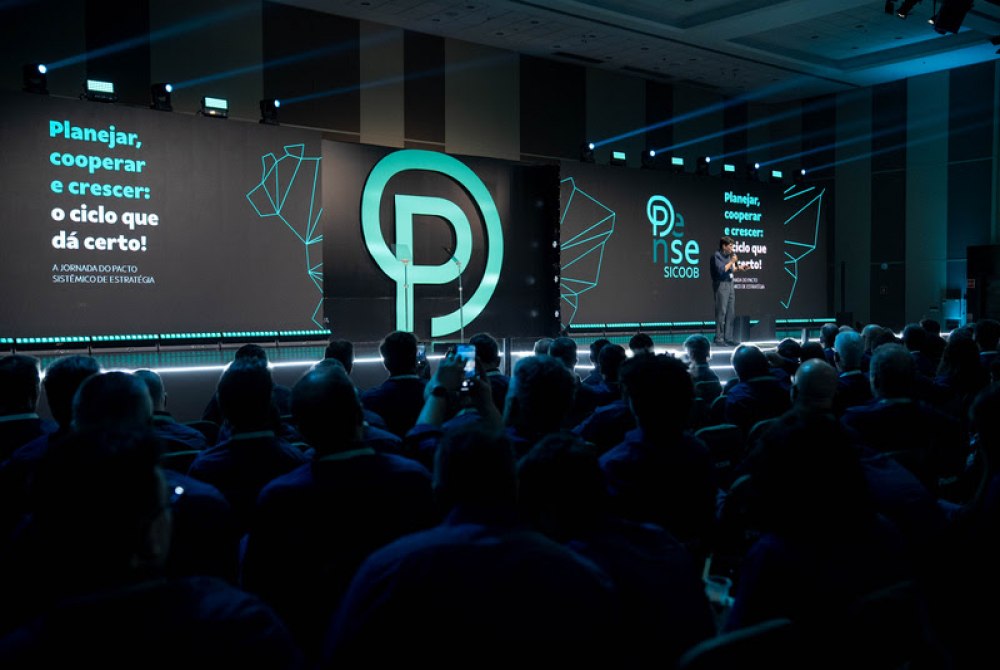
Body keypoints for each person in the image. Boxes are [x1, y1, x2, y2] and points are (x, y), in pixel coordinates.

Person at [710, 236, 739, 346]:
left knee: (730, 312)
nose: (732, 248)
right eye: (730, 246)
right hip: (721, 284)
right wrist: (731, 261)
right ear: (724, 246)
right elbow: (721, 270)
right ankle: (719, 338)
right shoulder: (716, 256)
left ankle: (728, 338)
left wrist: (740, 268)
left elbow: (730, 270)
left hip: (730, 284)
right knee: (721, 312)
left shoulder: (728, 256)